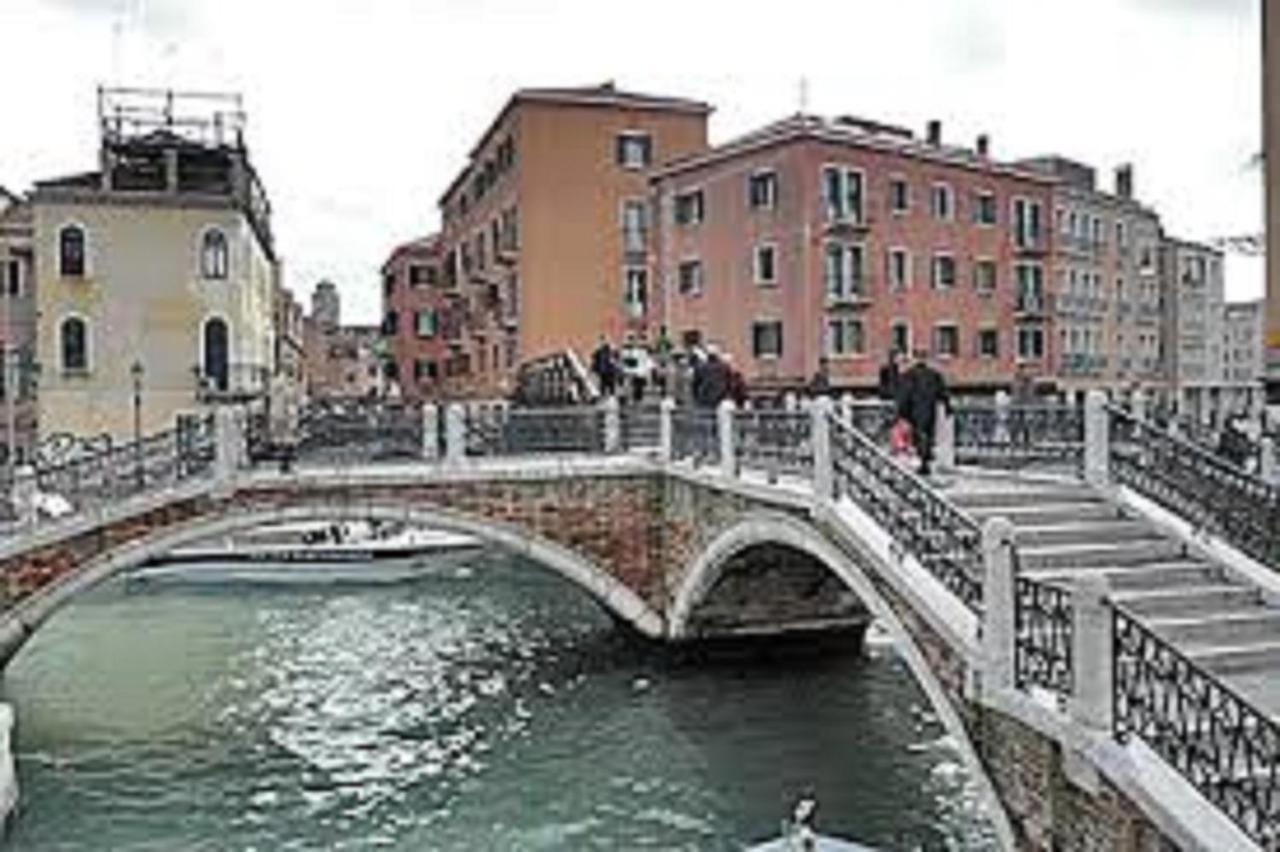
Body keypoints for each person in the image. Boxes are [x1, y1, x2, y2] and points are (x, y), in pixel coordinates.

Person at [897, 349, 951, 476]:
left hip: (915, 410)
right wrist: (947, 407)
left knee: (918, 435)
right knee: (928, 434)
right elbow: (943, 393)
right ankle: (925, 459)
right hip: (929, 409)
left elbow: (904, 395)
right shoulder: (934, 375)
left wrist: (901, 413)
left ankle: (922, 460)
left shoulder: (908, 375)